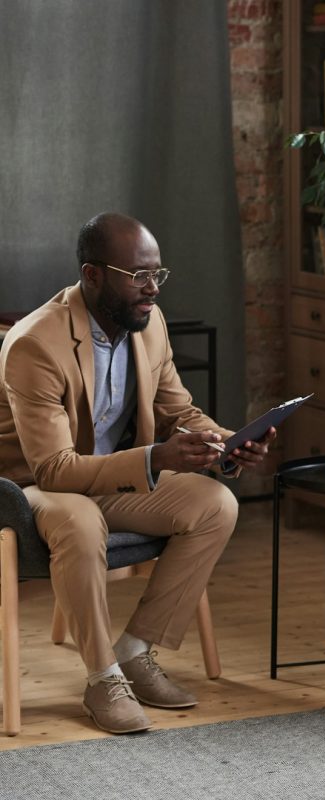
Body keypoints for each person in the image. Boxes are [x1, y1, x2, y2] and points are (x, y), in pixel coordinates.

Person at [0, 212, 275, 734]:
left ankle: (134, 650)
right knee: (79, 520)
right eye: (138, 275)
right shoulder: (37, 343)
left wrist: (228, 443)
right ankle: (103, 678)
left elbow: (180, 411)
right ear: (93, 274)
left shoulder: (148, 325)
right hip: (29, 488)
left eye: (157, 274)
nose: (152, 288)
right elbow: (55, 469)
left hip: (111, 479)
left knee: (216, 504)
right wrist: (156, 459)